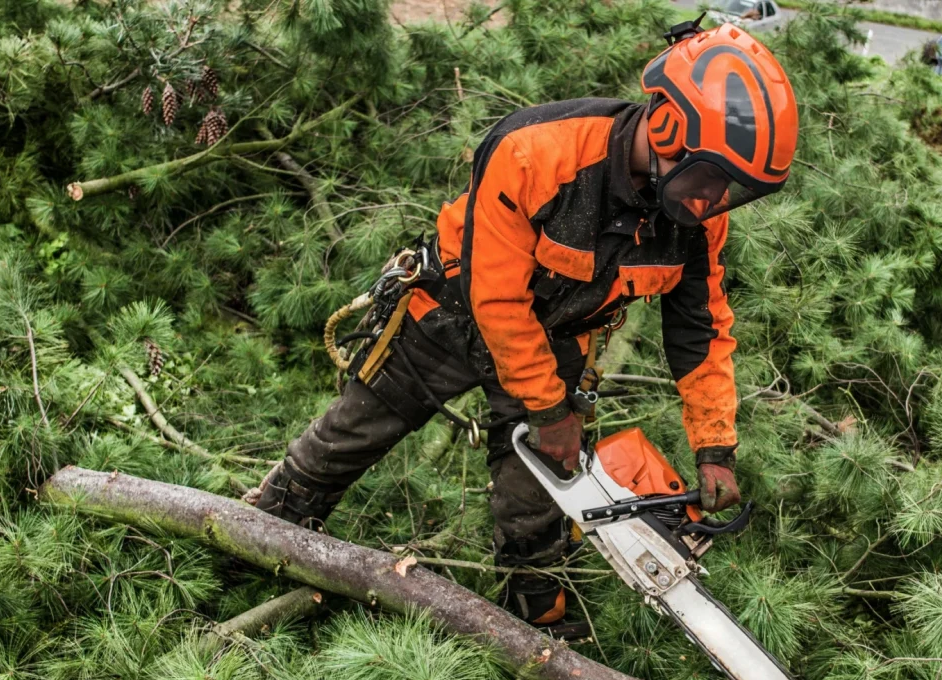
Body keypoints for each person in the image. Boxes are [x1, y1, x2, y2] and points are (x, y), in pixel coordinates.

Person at [250, 19, 799, 627]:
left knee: (537, 504)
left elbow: (701, 332)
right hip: (451, 311)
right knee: (350, 435)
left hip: (562, 338)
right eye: (712, 178)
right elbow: (498, 301)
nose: (713, 200)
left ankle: (536, 633)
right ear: (669, 124)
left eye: (730, 190)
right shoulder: (537, 152)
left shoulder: (696, 217)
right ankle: (256, 535)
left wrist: (715, 448)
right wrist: (549, 412)